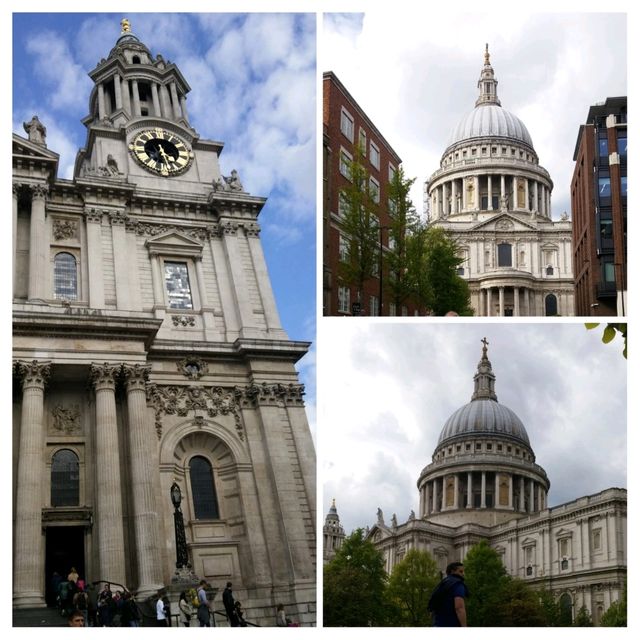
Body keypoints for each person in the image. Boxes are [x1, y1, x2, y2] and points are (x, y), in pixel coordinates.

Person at [428, 561, 469, 627]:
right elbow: (459, 608)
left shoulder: (441, 584)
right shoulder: (457, 584)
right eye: (461, 571)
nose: (463, 574)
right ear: (452, 571)